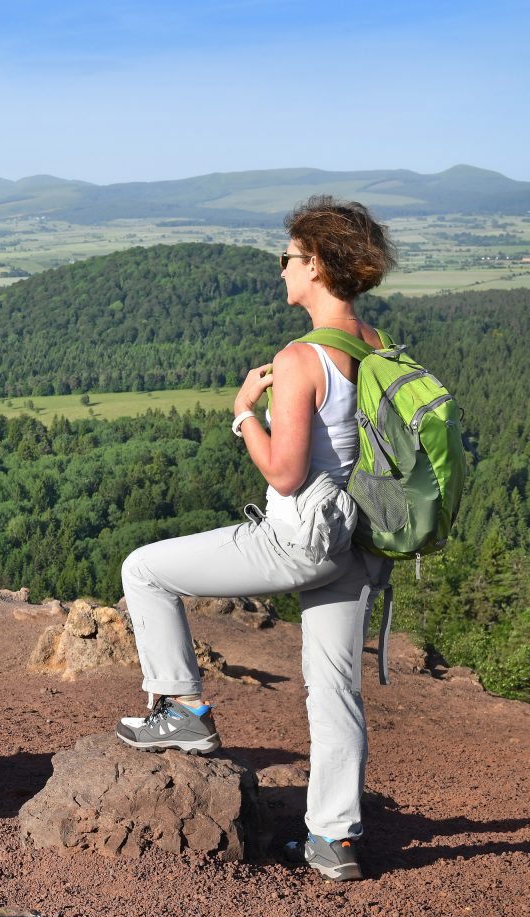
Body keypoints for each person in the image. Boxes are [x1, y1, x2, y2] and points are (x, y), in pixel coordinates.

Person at [114, 196, 397, 882]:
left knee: (144, 569)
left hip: (299, 537)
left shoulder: (301, 358)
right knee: (335, 690)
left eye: (289, 257)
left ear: (319, 266)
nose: (281, 270)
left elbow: (284, 469)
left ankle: (183, 709)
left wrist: (244, 413)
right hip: (356, 541)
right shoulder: (378, 347)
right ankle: (335, 841)